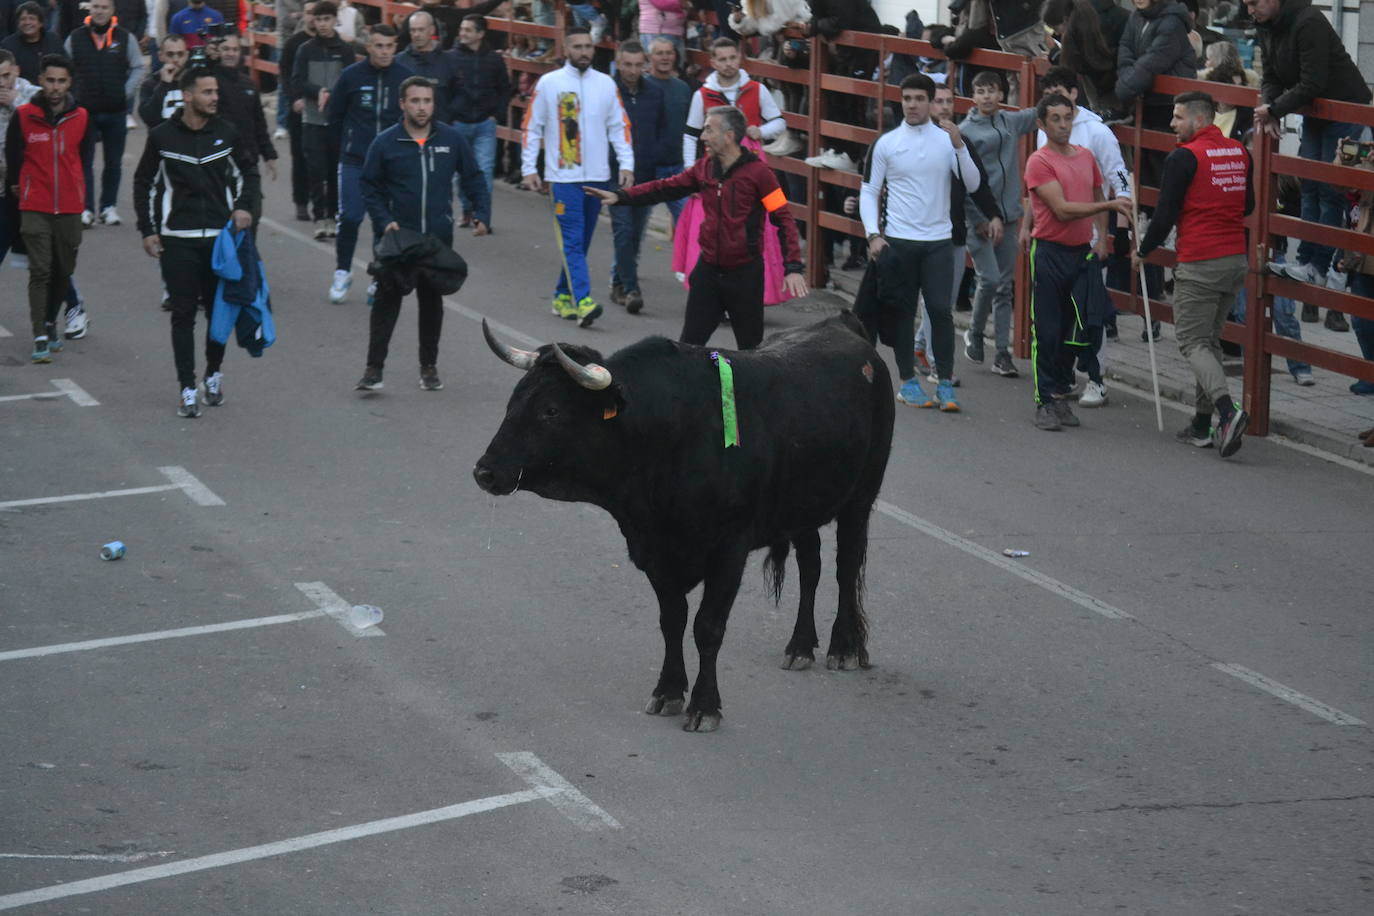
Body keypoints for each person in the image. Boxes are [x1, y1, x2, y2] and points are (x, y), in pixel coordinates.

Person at [588, 105, 807, 349]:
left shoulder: (760, 173)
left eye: (708, 130)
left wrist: (794, 267)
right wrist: (621, 197)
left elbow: (783, 218)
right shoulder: (703, 168)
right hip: (708, 271)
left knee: (751, 350)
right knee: (688, 347)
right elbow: (665, 187)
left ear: (729, 136)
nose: (702, 136)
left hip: (745, 275)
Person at [134, 66, 260, 418]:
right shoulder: (161, 137)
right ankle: (187, 387)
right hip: (178, 241)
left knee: (219, 314)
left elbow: (248, 172)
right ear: (188, 95)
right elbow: (143, 182)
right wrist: (147, 229)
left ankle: (213, 375)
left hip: (220, 242)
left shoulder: (226, 133)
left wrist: (243, 207)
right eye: (207, 92)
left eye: (216, 92)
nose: (214, 98)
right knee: (183, 315)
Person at [1135, 91, 1253, 457]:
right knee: (1210, 341)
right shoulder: (1238, 151)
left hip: (1200, 260)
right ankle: (1202, 425)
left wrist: (1142, 251)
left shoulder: (1183, 157)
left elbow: (1165, 213)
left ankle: (1226, 411)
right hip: (1235, 259)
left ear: (1200, 120)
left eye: (1178, 117)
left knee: (1191, 341)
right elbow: (1248, 204)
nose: (1172, 123)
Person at [855, 74, 980, 412]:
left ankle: (945, 385)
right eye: (906, 98)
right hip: (898, 242)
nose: (911, 104)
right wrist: (873, 234)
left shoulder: (948, 140)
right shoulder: (887, 143)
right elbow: (869, 191)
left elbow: (972, 182)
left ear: (930, 102)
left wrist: (960, 147)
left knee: (941, 311)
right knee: (902, 312)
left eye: (918, 98)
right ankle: (908, 381)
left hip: (939, 242)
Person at [356, 75, 490, 393]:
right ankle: (373, 369)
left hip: (436, 240)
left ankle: (428, 367)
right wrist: (383, 220)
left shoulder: (452, 140)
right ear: (402, 104)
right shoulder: (386, 142)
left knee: (432, 304)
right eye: (415, 101)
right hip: (399, 239)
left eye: (427, 101)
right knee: (386, 302)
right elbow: (369, 184)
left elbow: (473, 177)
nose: (422, 107)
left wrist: (482, 214)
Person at [1249, 0, 1372, 332]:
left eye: (1254, 3)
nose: (1250, 11)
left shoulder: (1308, 21)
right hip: (1315, 110)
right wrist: (1272, 107)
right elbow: (1271, 75)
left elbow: (1313, 80)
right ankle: (1304, 260)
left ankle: (1319, 265)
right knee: (1308, 184)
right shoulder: (1267, 25)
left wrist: (1274, 109)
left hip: (1342, 106)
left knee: (1330, 189)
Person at [1023, 92, 1132, 431]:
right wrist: (1108, 211)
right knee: (1048, 330)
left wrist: (1101, 238)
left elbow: (1098, 190)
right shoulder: (1039, 161)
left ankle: (1059, 395)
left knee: (1076, 332)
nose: (1063, 125)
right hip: (1049, 252)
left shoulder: (1085, 155)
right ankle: (1045, 401)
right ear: (1042, 124)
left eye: (1067, 118)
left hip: (1081, 253)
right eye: (1055, 119)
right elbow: (1063, 209)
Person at [519, 26, 633, 328]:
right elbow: (532, 127)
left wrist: (626, 164)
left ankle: (560, 294)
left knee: (581, 242)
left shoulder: (606, 84)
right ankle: (583, 300)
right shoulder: (549, 83)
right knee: (571, 240)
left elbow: (619, 127)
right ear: (566, 49)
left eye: (588, 46)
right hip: (563, 178)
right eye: (578, 46)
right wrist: (529, 167)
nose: (584, 51)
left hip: (597, 176)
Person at [677, 38, 791, 305]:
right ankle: (713, 292)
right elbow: (691, 135)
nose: (729, 64)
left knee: (754, 227)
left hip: (751, 169)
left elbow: (780, 122)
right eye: (723, 59)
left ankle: (754, 293)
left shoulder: (757, 89)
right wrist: (689, 172)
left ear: (739, 58)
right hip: (714, 170)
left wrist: (760, 131)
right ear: (713, 62)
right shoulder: (702, 95)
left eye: (732, 58)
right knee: (714, 229)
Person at [4, 53, 86, 363]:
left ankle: (51, 320)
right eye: (50, 80)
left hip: (69, 206)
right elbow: (14, 158)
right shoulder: (24, 115)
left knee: (63, 271)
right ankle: (39, 332)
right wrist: (20, 191)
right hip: (34, 204)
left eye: (61, 81)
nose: (55, 87)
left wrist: (82, 197)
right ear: (40, 80)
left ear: (69, 83)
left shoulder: (81, 117)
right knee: (40, 270)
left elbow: (84, 159)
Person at [958, 70, 1038, 380]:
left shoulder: (1010, 121)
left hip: (1010, 215)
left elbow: (1039, 113)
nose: (987, 96)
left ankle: (1002, 353)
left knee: (1005, 286)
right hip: (978, 218)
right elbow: (962, 182)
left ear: (1001, 94)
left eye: (992, 90)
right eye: (980, 91)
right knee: (988, 278)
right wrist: (977, 219)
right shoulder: (965, 131)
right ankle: (976, 332)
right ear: (973, 97)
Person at [324, 23, 408, 303]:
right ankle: (342, 271)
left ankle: (378, 276)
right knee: (349, 217)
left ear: (395, 46)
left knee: (382, 223)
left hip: (390, 164)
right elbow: (334, 117)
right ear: (368, 47)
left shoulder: (405, 78)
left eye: (389, 46)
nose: (384, 52)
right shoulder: (350, 76)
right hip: (354, 160)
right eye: (378, 46)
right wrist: (342, 150)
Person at [606, 40, 665, 315]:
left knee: (636, 233)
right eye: (627, 65)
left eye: (638, 65)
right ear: (618, 64)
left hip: (645, 172)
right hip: (614, 172)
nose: (632, 70)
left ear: (645, 65)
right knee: (622, 229)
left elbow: (661, 129)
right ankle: (631, 289)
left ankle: (619, 283)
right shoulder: (608, 91)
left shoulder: (654, 92)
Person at [292, 1, 353, 241]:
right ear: (313, 22)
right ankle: (319, 217)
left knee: (335, 170)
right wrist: (318, 90)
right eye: (319, 20)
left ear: (335, 19)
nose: (324, 24)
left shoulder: (345, 50)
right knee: (316, 169)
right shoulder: (305, 49)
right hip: (312, 119)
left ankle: (334, 215)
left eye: (328, 19)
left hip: (337, 121)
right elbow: (297, 82)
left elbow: (350, 82)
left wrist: (333, 94)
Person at [449, 14, 507, 229]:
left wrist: (496, 115)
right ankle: (467, 209)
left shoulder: (494, 60)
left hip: (484, 123)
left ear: (480, 34)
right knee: (461, 173)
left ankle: (482, 216)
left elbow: (504, 88)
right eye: (462, 29)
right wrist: (449, 116)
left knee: (484, 170)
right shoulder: (451, 58)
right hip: (459, 122)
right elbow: (445, 90)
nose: (463, 33)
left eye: (468, 30)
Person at [214, 32, 276, 191]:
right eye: (225, 49)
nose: (230, 53)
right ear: (217, 51)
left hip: (248, 158)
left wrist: (269, 155)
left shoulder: (248, 83)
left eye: (234, 49)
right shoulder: (208, 81)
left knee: (251, 208)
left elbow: (259, 123)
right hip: (218, 158)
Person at [0, 47, 39, 267]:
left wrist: (16, 102)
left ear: (16, 70)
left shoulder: (34, 95)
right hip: (3, 188)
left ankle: (72, 299)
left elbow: (46, 127)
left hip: (31, 187)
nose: (2, 84)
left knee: (42, 255)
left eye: (6, 76)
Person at [646, 35, 689, 227]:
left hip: (677, 168)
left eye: (669, 53)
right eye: (659, 53)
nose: (665, 58)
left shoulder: (683, 89)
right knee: (633, 229)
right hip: (648, 170)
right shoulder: (641, 87)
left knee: (689, 227)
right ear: (650, 58)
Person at [278, 0, 315, 221]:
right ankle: (301, 201)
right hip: (299, 109)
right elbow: (285, 74)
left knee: (323, 158)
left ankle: (323, 204)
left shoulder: (329, 44)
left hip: (322, 111)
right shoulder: (294, 43)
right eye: (309, 13)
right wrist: (294, 99)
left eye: (316, 13)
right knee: (300, 157)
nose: (312, 18)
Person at [398, 9, 453, 114]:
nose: (416, 34)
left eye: (421, 30)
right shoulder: (399, 61)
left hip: (440, 125)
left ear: (431, 30)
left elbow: (457, 94)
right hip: (408, 125)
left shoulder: (448, 60)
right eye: (413, 30)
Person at [0, 3, 63, 84]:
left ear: (41, 23)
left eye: (32, 18)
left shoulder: (53, 40)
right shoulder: (8, 45)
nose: (27, 22)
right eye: (23, 19)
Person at [137, 32, 188, 128]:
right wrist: (164, 84)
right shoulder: (150, 84)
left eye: (180, 54)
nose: (176, 59)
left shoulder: (194, 82)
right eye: (170, 54)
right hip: (161, 140)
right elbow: (148, 118)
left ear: (186, 55)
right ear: (161, 56)